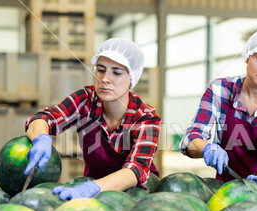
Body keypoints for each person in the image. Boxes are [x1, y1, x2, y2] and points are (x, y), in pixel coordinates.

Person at [24, 38, 161, 200]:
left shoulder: (146, 118)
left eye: (116, 72)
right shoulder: (86, 100)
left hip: (136, 195)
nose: (105, 78)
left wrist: (92, 188)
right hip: (93, 187)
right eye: (100, 70)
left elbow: (135, 169)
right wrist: (41, 137)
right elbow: (45, 118)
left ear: (132, 78)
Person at [179, 29, 257, 198]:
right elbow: (191, 138)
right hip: (228, 188)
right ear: (247, 57)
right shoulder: (219, 89)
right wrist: (206, 148)